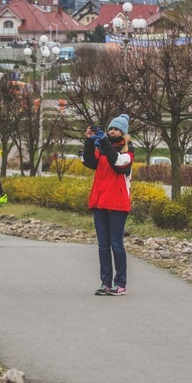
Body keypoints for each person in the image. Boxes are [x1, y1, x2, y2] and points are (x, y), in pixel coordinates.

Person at [82, 114, 134, 296]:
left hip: (118, 203)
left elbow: (118, 164)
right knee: (103, 245)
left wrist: (103, 141)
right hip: (100, 201)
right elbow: (89, 161)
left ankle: (120, 284)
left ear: (123, 132)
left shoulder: (128, 151)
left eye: (116, 129)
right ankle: (105, 283)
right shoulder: (101, 147)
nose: (112, 131)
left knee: (116, 244)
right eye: (110, 128)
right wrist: (89, 142)